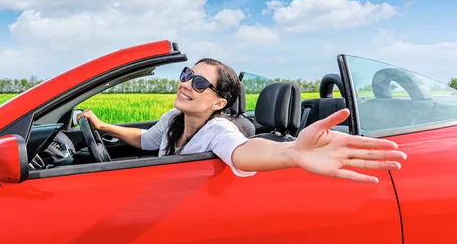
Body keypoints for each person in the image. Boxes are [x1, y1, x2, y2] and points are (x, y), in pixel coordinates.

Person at [76, 58, 407, 183]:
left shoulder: (219, 130)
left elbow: (242, 152)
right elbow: (146, 141)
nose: (186, 83)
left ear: (219, 102)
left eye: (200, 83)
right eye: (188, 74)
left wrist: (290, 153)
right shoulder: (175, 117)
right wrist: (104, 127)